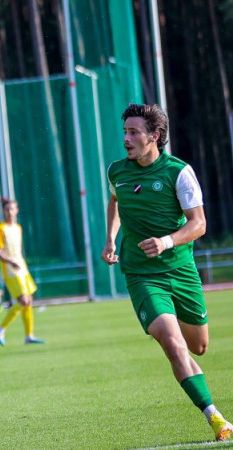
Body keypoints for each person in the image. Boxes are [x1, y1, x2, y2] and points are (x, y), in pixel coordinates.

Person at [102, 103, 232, 441]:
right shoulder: (117, 171)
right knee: (173, 344)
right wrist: (110, 240)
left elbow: (199, 224)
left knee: (198, 346)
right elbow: (116, 201)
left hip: (181, 270)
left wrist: (166, 241)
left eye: (133, 132)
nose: (126, 139)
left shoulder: (179, 172)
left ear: (155, 136)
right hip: (141, 274)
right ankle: (215, 416)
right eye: (125, 132)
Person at [0, 199, 45, 346]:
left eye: (12, 209)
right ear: (3, 211)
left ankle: (29, 335)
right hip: (10, 270)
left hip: (21, 268)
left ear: (17, 210)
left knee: (28, 301)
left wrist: (20, 262)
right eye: (7, 209)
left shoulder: (18, 228)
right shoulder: (0, 229)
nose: (9, 212)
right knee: (24, 301)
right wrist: (10, 261)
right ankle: (0, 329)